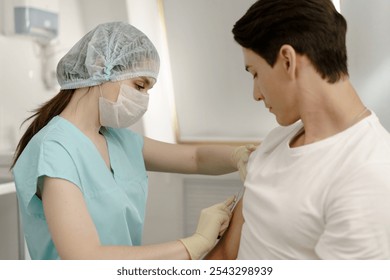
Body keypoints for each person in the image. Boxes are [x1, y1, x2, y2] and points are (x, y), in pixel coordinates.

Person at [11, 22, 254, 260]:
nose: (143, 100)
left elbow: (195, 158)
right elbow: (84, 257)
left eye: (147, 90)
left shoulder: (119, 140)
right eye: (139, 86)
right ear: (99, 66)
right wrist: (194, 244)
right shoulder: (54, 150)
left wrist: (240, 155)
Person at [206, 0, 390, 260]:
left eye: (255, 73)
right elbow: (225, 254)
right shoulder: (276, 141)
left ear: (287, 61)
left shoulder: (369, 175)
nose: (255, 94)